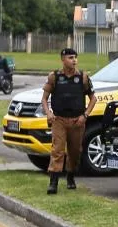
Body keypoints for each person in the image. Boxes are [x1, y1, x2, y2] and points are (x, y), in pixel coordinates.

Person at [41, 48, 96, 195]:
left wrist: (85, 115)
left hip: (77, 120)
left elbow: (93, 99)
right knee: (57, 150)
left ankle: (71, 175)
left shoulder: (83, 77)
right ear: (63, 59)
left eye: (75, 57)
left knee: (75, 151)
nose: (74, 60)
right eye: (71, 58)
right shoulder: (54, 77)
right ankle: (53, 182)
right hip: (59, 119)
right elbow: (44, 99)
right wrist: (48, 113)